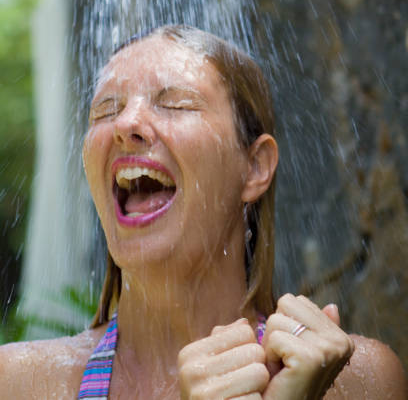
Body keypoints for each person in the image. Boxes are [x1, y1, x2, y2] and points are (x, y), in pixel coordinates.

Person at [0, 25, 406, 399]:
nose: (126, 123)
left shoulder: (358, 382)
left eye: (174, 104)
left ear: (255, 166)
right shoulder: (20, 383)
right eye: (105, 111)